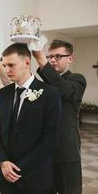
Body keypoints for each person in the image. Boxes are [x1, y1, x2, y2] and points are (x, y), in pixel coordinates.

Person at [0, 43, 61, 194]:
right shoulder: (4, 93)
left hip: (36, 177)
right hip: (6, 176)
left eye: (11, 65)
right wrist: (3, 161)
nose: (6, 70)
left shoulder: (50, 94)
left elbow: (50, 139)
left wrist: (19, 169)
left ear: (27, 63)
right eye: (4, 65)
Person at [32, 39, 87, 194]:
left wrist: (42, 61)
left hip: (66, 150)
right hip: (44, 151)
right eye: (50, 57)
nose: (53, 60)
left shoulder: (77, 79)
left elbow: (62, 90)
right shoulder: (45, 83)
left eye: (58, 56)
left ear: (70, 58)